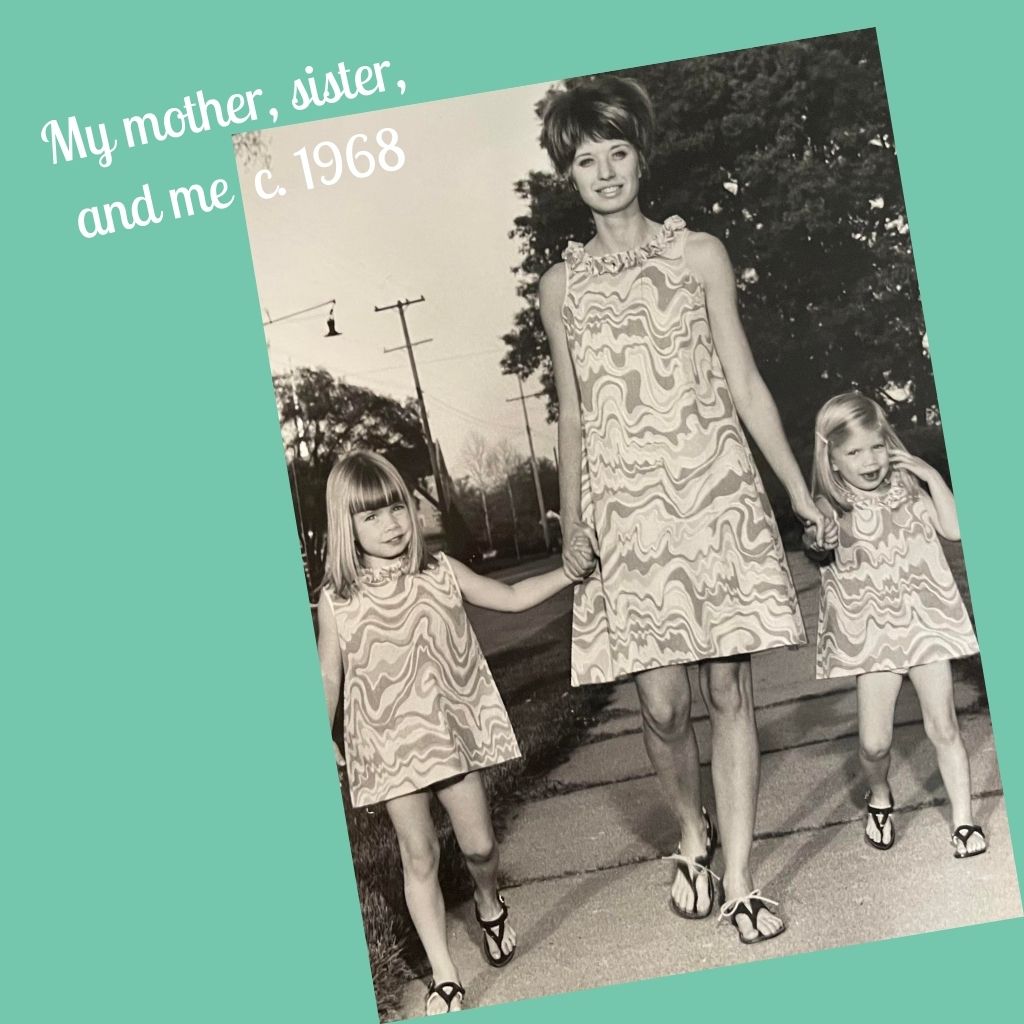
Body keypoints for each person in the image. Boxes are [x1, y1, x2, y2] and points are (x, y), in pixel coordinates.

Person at [537, 76, 825, 944]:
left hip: (715, 498)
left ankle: (739, 879)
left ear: (641, 156)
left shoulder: (698, 253)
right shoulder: (563, 286)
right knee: (662, 706)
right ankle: (690, 837)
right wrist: (573, 518)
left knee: (729, 687)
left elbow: (743, 382)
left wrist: (800, 492)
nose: (605, 170)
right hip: (626, 517)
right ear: (570, 175)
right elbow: (575, 411)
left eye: (617, 151)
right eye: (586, 159)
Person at [316, 450, 593, 1013]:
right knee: (417, 856)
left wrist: (567, 573)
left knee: (480, 846)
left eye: (398, 507)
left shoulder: (440, 572)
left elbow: (511, 599)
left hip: (450, 734)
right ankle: (445, 976)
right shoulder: (337, 600)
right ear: (346, 526)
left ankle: (489, 902)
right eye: (371, 516)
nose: (391, 524)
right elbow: (328, 672)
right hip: (387, 743)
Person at [806, 392, 986, 858]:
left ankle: (964, 822)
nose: (869, 460)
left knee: (943, 726)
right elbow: (816, 545)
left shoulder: (909, 489)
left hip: (926, 624)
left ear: (890, 443)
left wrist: (928, 473)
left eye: (877, 446)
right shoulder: (830, 505)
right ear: (832, 458)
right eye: (854, 452)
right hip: (875, 638)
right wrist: (818, 536)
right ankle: (880, 795)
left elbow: (956, 529)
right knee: (873, 743)